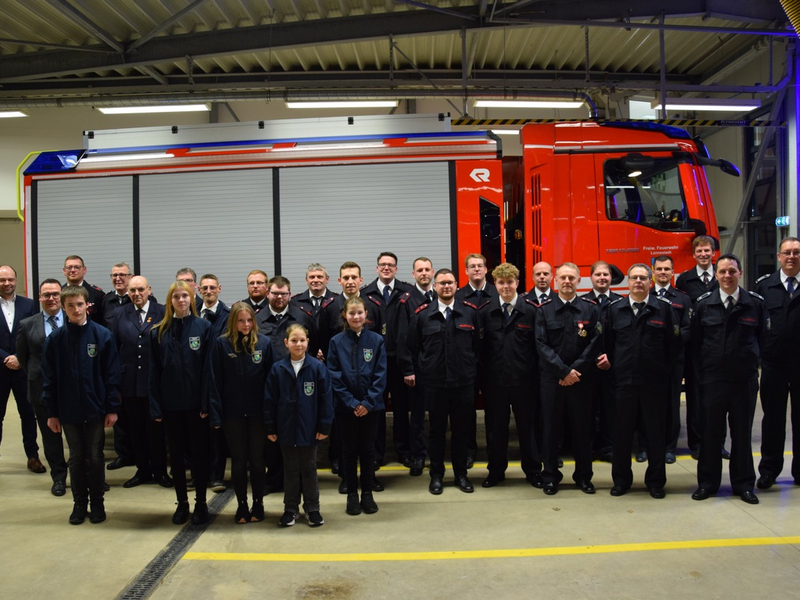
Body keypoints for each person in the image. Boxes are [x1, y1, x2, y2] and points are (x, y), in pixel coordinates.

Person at [691, 254, 767, 505]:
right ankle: (707, 483)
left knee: (742, 433)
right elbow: (695, 343)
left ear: (740, 273)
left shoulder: (754, 303)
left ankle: (744, 485)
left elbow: (764, 339)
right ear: (715, 275)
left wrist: (753, 363)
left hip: (743, 379)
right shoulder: (703, 304)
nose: (726, 276)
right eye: (722, 271)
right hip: (713, 379)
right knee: (711, 433)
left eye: (731, 271)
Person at [42, 285, 121, 524]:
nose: (76, 309)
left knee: (95, 457)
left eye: (79, 304)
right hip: (68, 410)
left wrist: (112, 407)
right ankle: (79, 504)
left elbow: (112, 375)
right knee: (76, 457)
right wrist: (52, 412)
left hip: (96, 408)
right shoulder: (55, 340)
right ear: (63, 308)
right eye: (70, 306)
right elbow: (49, 378)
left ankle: (97, 503)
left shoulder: (101, 335)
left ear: (87, 305)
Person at [604, 263, 679, 499]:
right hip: (623, 383)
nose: (638, 282)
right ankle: (621, 481)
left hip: (653, 385)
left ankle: (656, 482)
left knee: (655, 436)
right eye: (634, 277)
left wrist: (663, 377)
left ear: (651, 282)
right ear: (627, 282)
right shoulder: (614, 309)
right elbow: (607, 346)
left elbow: (673, 348)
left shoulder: (664, 310)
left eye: (643, 278)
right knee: (622, 436)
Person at [407, 268, 481, 495]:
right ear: (435, 287)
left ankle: (461, 475)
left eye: (450, 283)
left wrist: (469, 370)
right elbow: (413, 348)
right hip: (435, 384)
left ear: (457, 285)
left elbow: (478, 347)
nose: (446, 286)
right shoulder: (422, 314)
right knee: (436, 432)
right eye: (442, 283)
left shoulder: (470, 313)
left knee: (461, 431)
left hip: (463, 383)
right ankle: (436, 475)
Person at [536, 263, 605, 495]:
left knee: (582, 431)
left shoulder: (591, 309)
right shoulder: (544, 310)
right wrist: (563, 372)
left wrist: (574, 371)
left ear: (579, 281)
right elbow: (541, 344)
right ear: (556, 281)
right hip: (552, 382)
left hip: (581, 382)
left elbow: (595, 343)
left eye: (571, 278)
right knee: (550, 432)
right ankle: (550, 477)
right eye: (563, 277)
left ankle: (584, 477)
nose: (567, 281)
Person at [149, 281, 213, 525]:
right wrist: (155, 406)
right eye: (176, 296)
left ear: (192, 298)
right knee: (175, 457)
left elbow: (208, 370)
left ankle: (200, 503)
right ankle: (182, 502)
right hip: (170, 405)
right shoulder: (158, 331)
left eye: (185, 295)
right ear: (170, 301)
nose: (181, 300)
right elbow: (153, 374)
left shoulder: (203, 328)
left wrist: (206, 404)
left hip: (196, 406)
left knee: (199, 455)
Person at [209, 303, 274, 524]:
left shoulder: (264, 344)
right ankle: (241, 505)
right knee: (238, 461)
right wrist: (216, 414)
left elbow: (271, 382)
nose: (245, 325)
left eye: (249, 321)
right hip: (232, 413)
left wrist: (270, 415)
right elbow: (215, 381)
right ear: (233, 322)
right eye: (240, 321)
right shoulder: (221, 344)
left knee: (257, 460)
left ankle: (258, 504)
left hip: (258, 414)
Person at [479, 262, 543, 489]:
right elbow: (480, 348)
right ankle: (496, 472)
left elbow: (538, 348)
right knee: (496, 430)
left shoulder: (531, 311)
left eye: (510, 282)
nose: (506, 286)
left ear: (518, 283)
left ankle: (533, 471)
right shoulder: (485, 312)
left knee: (528, 427)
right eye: (501, 282)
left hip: (524, 381)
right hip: (495, 382)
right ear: (494, 283)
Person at [265, 323, 334, 528]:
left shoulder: (317, 368)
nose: (298, 344)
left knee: (309, 468)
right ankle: (290, 508)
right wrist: (270, 427)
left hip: (310, 429)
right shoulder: (277, 369)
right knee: (291, 469)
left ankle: (312, 508)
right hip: (286, 429)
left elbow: (326, 399)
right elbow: (269, 400)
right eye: (294, 340)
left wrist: (324, 426)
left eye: (302, 340)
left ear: (308, 342)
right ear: (286, 343)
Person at [106, 276, 171, 489]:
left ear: (149, 289)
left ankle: (160, 471)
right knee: (136, 430)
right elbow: (114, 350)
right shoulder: (120, 314)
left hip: (154, 384)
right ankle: (143, 470)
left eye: (140, 289)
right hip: (130, 383)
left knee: (156, 431)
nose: (136, 294)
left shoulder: (162, 312)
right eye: (132, 290)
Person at [257, 275, 319, 494]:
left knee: (298, 434)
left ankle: (299, 481)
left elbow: (314, 344)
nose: (279, 297)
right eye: (275, 293)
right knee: (272, 436)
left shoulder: (302, 317)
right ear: (268, 293)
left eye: (283, 294)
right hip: (269, 386)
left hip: (299, 385)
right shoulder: (257, 320)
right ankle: (274, 479)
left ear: (290, 294)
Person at [327, 296, 387, 516]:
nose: (356, 317)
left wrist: (368, 402)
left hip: (371, 407)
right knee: (349, 449)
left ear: (366, 315)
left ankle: (368, 492)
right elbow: (334, 375)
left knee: (368, 449)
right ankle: (352, 493)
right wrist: (352, 402)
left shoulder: (376, 341)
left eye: (360, 313)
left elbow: (380, 375)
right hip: (346, 407)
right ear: (345, 315)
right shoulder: (336, 342)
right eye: (352, 313)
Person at [361, 252, 414, 473]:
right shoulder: (365, 294)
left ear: (396, 269)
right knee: (376, 409)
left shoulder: (407, 292)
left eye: (390, 265)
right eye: (382, 265)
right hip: (374, 364)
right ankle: (377, 454)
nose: (386, 268)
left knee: (402, 409)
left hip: (400, 360)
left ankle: (403, 452)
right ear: (376, 268)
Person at [16, 279, 69, 495]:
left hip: (73, 390)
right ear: (39, 298)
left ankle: (86, 476)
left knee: (78, 438)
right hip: (42, 391)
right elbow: (23, 358)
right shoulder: (27, 324)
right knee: (51, 438)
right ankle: (58, 478)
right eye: (46, 295)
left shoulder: (73, 319)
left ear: (62, 296)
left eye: (55, 294)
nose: (51, 298)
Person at [756, 236, 800, 489]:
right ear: (779, 256)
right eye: (787, 252)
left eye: (796, 252)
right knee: (772, 419)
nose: (792, 256)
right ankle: (769, 471)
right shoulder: (764, 287)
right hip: (773, 365)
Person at [675, 235, 721, 460]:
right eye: (699, 251)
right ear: (693, 255)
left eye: (707, 251)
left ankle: (717, 443)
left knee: (718, 399)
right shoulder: (685, 280)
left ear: (714, 253)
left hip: (719, 347)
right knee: (694, 397)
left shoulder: (723, 276)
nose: (703, 254)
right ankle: (696, 443)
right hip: (695, 348)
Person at [645, 256, 690, 464]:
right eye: (659, 269)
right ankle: (647, 446)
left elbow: (688, 329)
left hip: (673, 360)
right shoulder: (645, 294)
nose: (663, 272)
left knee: (672, 404)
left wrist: (671, 345)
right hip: (649, 361)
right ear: (653, 272)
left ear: (673, 272)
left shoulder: (682, 299)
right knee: (647, 405)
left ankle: (670, 447)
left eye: (667, 269)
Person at [455, 253, 498, 468]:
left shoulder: (497, 293)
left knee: (493, 409)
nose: (476, 270)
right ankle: (469, 451)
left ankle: (494, 451)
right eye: (472, 267)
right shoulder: (458, 295)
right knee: (467, 410)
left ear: (486, 268)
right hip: (468, 362)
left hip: (492, 362)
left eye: (480, 266)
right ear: (466, 271)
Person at [0, 264, 43, 473]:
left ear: (16, 281)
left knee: (28, 414)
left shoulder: (29, 304)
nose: (6, 283)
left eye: (10, 279)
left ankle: (33, 456)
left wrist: (18, 356)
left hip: (23, 369)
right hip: (0, 370)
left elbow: (34, 334)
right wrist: (6, 358)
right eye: (2, 280)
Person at [394, 257, 435, 475]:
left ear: (433, 272)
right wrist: (408, 369)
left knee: (438, 414)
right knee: (418, 415)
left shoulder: (440, 295)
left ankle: (437, 454)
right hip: (418, 368)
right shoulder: (407, 300)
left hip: (438, 368)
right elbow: (402, 338)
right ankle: (418, 455)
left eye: (427, 269)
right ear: (413, 275)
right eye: (419, 270)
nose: (424, 273)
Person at [583, 260, 623, 462]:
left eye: (605, 275)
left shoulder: (620, 303)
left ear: (611, 278)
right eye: (598, 274)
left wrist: (611, 357)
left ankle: (609, 448)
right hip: (588, 367)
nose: (602, 278)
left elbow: (624, 337)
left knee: (610, 409)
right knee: (587, 409)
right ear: (591, 277)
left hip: (611, 366)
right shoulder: (582, 303)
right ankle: (587, 448)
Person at [62, 256, 105, 323]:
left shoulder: (97, 294)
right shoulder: (58, 293)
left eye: (77, 267)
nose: (73, 270)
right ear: (64, 271)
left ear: (84, 270)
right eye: (69, 267)